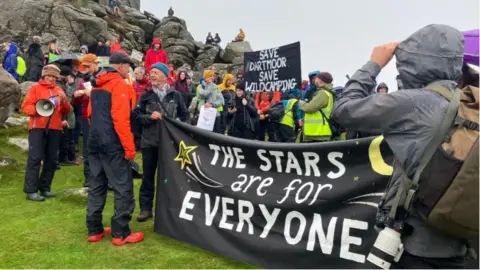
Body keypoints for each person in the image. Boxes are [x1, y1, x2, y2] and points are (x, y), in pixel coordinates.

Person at [331, 24, 468, 268]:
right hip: (462, 237)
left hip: (416, 242)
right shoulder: (470, 102)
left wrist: (374, 64)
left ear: (412, 64)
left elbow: (342, 110)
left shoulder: (413, 103)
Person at [86, 52, 143, 245]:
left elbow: (89, 114)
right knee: (122, 187)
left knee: (96, 186)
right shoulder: (118, 84)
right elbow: (121, 119)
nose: (130, 69)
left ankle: (94, 230)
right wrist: (129, 148)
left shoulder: (96, 85)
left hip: (94, 142)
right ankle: (121, 233)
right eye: (128, 66)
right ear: (120, 66)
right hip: (113, 143)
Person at [132, 62, 189, 222]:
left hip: (170, 144)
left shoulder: (176, 95)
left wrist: (178, 125)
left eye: (156, 72)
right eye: (151, 72)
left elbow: (185, 116)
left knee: (168, 177)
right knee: (148, 177)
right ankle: (145, 208)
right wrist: (149, 117)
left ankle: (167, 209)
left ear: (165, 75)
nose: (152, 75)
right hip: (150, 142)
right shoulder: (146, 95)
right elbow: (135, 116)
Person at [21, 65, 72, 201]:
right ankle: (30, 190)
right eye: (48, 76)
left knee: (51, 159)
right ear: (44, 76)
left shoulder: (59, 90)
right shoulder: (35, 89)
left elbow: (66, 111)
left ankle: (45, 188)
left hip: (55, 128)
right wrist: (38, 110)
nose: (51, 78)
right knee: (35, 158)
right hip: (37, 127)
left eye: (54, 76)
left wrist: (65, 100)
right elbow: (25, 107)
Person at [72, 54, 100, 189]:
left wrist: (92, 92)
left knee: (102, 148)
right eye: (85, 66)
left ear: (95, 64)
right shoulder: (84, 80)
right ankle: (89, 179)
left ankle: (103, 179)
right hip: (86, 116)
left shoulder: (103, 78)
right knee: (88, 149)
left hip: (100, 116)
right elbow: (76, 101)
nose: (86, 69)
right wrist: (77, 95)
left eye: (88, 66)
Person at [299, 72, 335, 142]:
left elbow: (309, 108)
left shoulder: (322, 93)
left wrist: (301, 103)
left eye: (316, 78)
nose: (315, 80)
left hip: (318, 133)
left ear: (320, 80)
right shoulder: (327, 92)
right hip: (319, 132)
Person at [57, 66, 78, 166]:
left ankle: (66, 157)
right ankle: (64, 158)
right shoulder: (60, 86)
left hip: (65, 116)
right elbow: (65, 101)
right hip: (64, 116)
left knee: (67, 138)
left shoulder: (62, 84)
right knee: (66, 138)